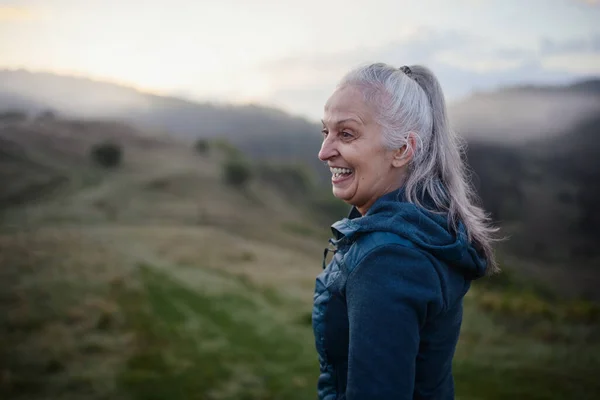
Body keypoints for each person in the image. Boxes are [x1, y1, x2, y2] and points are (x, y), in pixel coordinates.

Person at [311, 63, 499, 400]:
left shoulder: (387, 258)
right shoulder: (422, 226)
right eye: (325, 132)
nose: (324, 152)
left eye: (347, 133)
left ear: (402, 150)